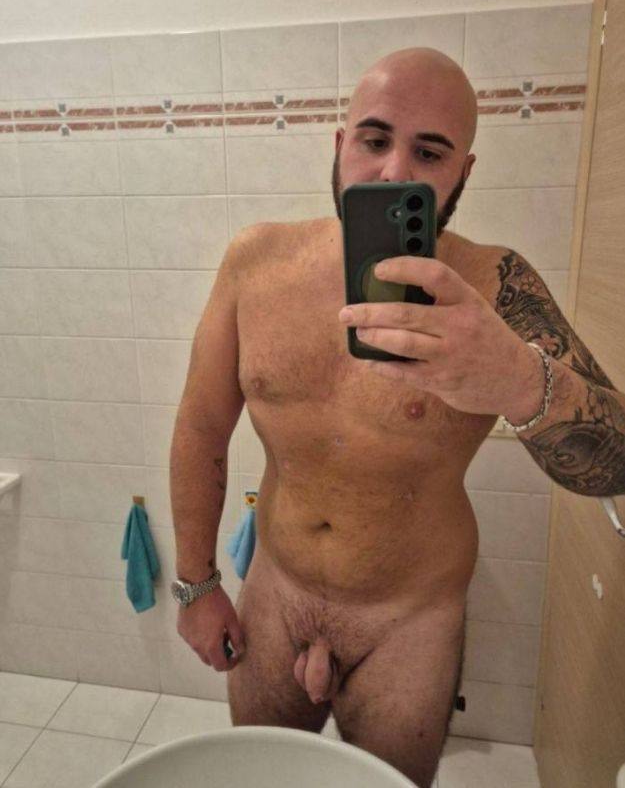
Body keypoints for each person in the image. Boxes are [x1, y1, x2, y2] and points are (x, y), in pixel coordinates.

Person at [169, 47, 623, 788]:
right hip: (275, 592)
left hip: (408, 621)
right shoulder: (254, 263)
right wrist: (196, 585)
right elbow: (199, 426)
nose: (392, 171)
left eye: (429, 152)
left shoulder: (496, 289)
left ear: (463, 173)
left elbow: (617, 462)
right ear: (340, 143)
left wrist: (516, 378)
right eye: (375, 139)